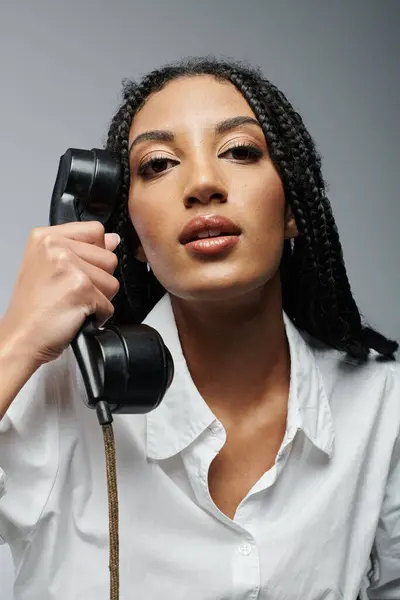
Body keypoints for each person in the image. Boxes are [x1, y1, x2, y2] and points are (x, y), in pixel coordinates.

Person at [0, 56, 399, 600]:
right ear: (131, 233)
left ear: (292, 209)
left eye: (239, 151)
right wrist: (16, 343)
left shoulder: (383, 403)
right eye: (160, 164)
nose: (203, 183)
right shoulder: (50, 396)